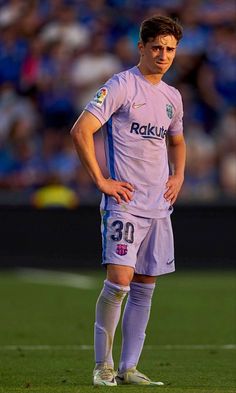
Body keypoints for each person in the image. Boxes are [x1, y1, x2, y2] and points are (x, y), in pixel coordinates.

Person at [70, 15, 186, 386]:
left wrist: (178, 175)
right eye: (157, 47)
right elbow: (81, 130)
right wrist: (101, 180)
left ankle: (128, 368)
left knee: (146, 286)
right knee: (119, 282)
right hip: (124, 202)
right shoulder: (121, 85)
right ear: (141, 47)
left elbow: (177, 141)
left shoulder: (172, 97)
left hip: (158, 206)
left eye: (170, 49)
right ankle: (102, 367)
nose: (163, 55)